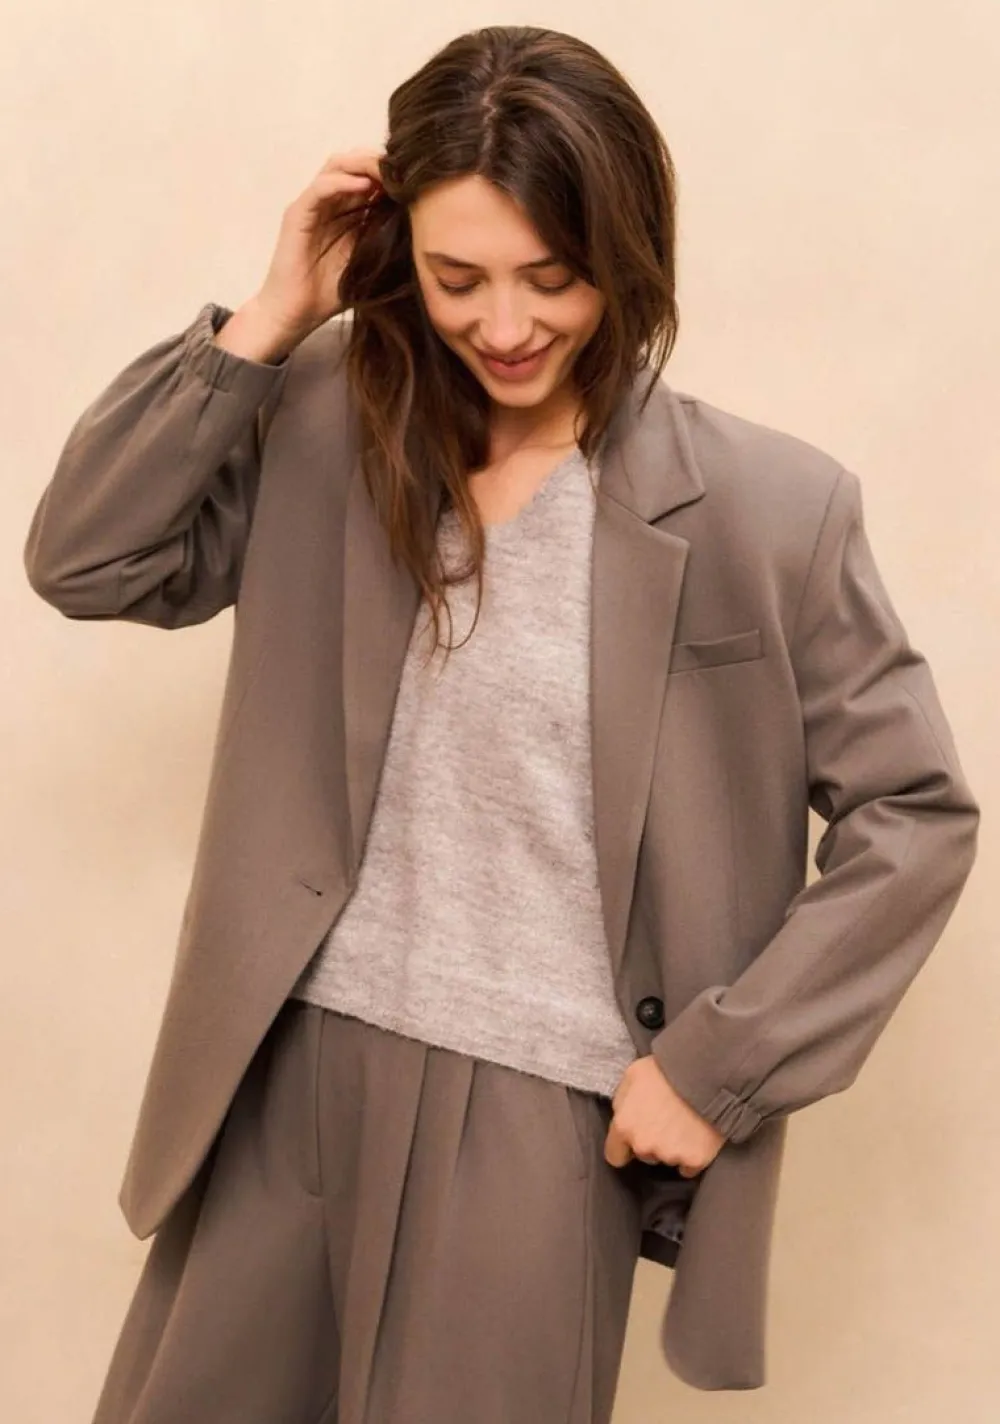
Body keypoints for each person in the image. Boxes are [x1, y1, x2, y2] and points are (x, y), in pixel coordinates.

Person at [23, 23, 978, 1423]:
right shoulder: (322, 422)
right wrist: (271, 316)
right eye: (458, 278)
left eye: (553, 276)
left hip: (538, 1122)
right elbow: (88, 559)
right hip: (281, 1073)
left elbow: (918, 814)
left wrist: (723, 1066)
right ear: (398, 248)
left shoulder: (768, 510)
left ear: (626, 253)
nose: (508, 325)